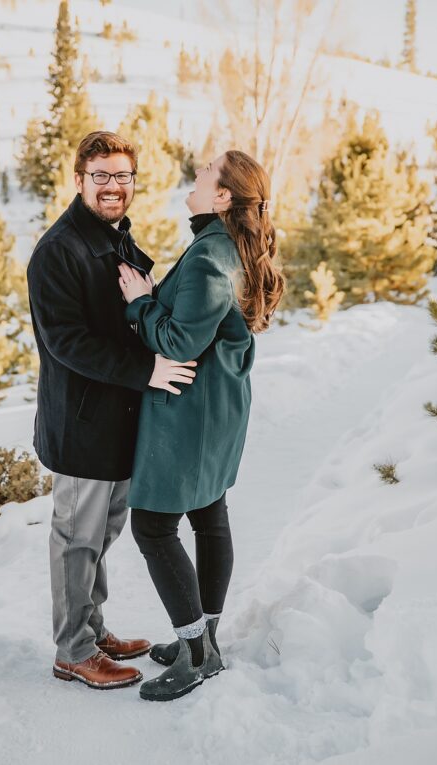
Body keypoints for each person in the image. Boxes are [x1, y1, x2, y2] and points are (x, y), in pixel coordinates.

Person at [26, 131, 199, 690]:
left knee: (100, 537)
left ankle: (93, 629)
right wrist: (146, 370)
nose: (112, 186)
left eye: (122, 176)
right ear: (79, 181)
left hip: (119, 421)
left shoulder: (113, 236)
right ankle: (72, 650)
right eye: (100, 175)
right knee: (76, 540)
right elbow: (65, 342)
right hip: (82, 424)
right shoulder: (59, 250)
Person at [118, 150, 285, 701]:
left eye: (206, 172)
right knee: (209, 515)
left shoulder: (214, 254)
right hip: (217, 406)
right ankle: (205, 635)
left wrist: (141, 303)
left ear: (223, 197)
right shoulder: (221, 245)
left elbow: (179, 342)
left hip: (193, 414)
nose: (195, 174)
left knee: (153, 526)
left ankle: (196, 654)